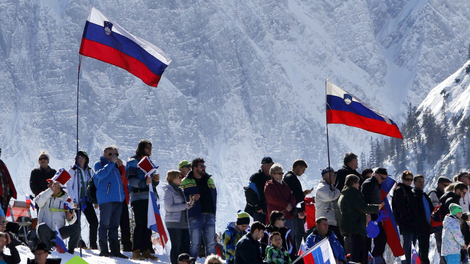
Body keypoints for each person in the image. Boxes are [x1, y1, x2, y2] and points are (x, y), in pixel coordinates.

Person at [126, 139, 159, 260]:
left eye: (151, 148)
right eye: (147, 148)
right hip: (138, 196)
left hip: (149, 197)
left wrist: (155, 180)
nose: (150, 150)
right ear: (141, 148)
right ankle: (136, 250)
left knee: (148, 224)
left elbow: (152, 183)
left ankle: (146, 250)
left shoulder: (149, 162)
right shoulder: (133, 162)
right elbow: (131, 180)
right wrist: (144, 182)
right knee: (140, 223)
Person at [34, 170, 80, 254]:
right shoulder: (44, 194)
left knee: (76, 228)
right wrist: (50, 191)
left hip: (60, 231)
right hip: (46, 230)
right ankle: (47, 250)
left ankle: (71, 251)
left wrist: (70, 218)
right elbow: (39, 203)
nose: (48, 186)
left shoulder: (67, 200)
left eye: (51, 184)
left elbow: (73, 218)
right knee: (41, 227)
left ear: (58, 186)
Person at [338, 174, 381, 264]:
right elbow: (362, 207)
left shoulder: (343, 194)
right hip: (356, 228)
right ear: (354, 183)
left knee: (352, 254)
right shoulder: (353, 193)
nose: (358, 186)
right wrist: (377, 207)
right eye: (358, 183)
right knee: (359, 255)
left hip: (348, 228)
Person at [94, 145, 127, 258]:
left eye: (115, 154)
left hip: (118, 199)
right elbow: (100, 174)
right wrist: (111, 163)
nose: (113, 156)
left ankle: (115, 250)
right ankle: (103, 249)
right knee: (104, 224)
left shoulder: (115, 166)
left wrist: (120, 166)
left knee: (114, 225)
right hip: (106, 199)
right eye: (110, 154)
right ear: (104, 154)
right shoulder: (99, 164)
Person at [181, 158, 217, 258]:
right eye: (201, 166)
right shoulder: (185, 181)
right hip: (194, 215)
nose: (203, 168)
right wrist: (191, 197)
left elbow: (214, 196)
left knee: (211, 244)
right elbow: (182, 198)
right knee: (195, 244)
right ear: (194, 168)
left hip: (209, 214)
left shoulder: (209, 180)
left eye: (204, 166)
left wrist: (214, 213)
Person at [66, 150, 98, 249]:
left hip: (87, 200)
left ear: (86, 159)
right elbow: (69, 186)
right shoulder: (73, 170)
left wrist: (95, 200)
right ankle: (79, 243)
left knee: (94, 221)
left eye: (82, 157)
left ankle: (93, 243)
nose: (80, 159)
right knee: (76, 223)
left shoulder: (90, 171)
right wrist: (73, 200)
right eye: (78, 157)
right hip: (76, 201)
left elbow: (93, 186)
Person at [164, 169, 192, 264]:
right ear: (173, 178)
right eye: (179, 177)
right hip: (173, 222)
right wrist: (184, 206)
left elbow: (182, 205)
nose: (181, 178)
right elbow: (168, 207)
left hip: (183, 222)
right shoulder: (169, 191)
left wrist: (189, 204)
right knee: (176, 245)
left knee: (185, 245)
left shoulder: (180, 190)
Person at [361, 167, 388, 263]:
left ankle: (375, 257)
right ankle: (371, 258)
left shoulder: (376, 184)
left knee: (381, 238)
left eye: (385, 179)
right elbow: (365, 201)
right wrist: (367, 214)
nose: (383, 181)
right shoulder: (368, 184)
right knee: (370, 240)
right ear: (376, 174)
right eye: (382, 178)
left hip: (375, 215)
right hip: (369, 216)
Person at [283, 159, 312, 249]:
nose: (303, 172)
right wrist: (299, 210)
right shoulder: (291, 178)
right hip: (295, 212)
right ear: (298, 167)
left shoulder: (291, 177)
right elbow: (293, 196)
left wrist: (303, 194)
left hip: (295, 210)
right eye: (303, 170)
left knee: (299, 234)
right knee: (298, 234)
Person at [315, 166, 343, 247]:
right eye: (331, 175)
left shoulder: (331, 187)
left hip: (333, 222)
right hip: (326, 223)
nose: (333, 177)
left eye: (334, 175)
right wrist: (337, 191)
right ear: (324, 176)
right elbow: (330, 196)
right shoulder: (321, 188)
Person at [391, 170, 414, 264]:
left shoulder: (408, 190)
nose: (409, 181)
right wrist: (407, 216)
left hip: (410, 222)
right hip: (405, 222)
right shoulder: (400, 190)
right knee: (407, 244)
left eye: (411, 179)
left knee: (410, 244)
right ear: (403, 179)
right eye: (407, 179)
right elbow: (400, 207)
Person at [265, 163, 296, 231]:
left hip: (288, 215)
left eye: (282, 173)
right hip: (277, 218)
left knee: (289, 237)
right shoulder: (269, 185)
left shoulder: (284, 184)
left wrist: (290, 204)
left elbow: (292, 195)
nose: (281, 175)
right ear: (272, 174)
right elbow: (272, 199)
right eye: (279, 173)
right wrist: (286, 205)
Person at [410, 175, 433, 264]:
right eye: (419, 182)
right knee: (412, 251)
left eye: (423, 182)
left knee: (424, 253)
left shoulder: (425, 196)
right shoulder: (412, 196)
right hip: (415, 228)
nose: (421, 184)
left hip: (426, 228)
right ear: (414, 183)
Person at [246, 157, 274, 223]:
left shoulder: (273, 178)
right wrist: (257, 206)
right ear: (263, 166)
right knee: (260, 229)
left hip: (270, 210)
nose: (271, 167)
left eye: (272, 165)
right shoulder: (256, 177)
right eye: (269, 165)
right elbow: (250, 193)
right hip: (259, 211)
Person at [0, 148, 17, 215]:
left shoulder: (2, 164)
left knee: (2, 219)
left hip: (4, 197)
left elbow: (7, 179)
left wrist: (11, 192)